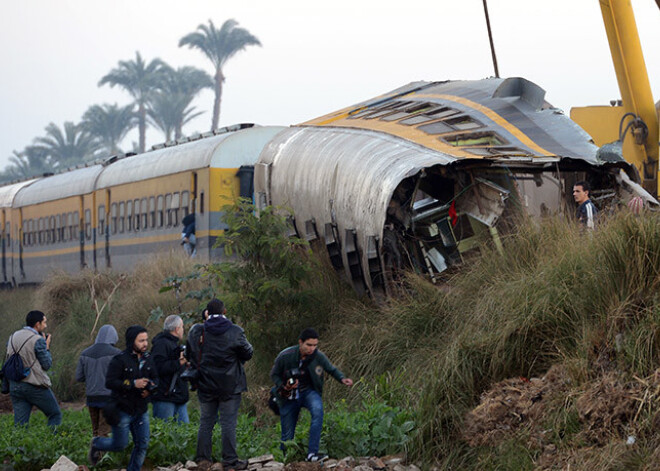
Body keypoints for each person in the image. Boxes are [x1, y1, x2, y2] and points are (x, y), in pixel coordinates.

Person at [187, 299, 253, 470]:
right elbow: (248, 353)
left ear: (207, 313)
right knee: (228, 423)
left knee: (206, 422)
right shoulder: (235, 331)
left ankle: (203, 459)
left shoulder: (196, 331)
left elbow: (190, 354)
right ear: (224, 311)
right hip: (229, 386)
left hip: (205, 384)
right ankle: (230, 461)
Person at [270, 328, 353, 462]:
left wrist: (342, 379)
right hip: (288, 395)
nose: (312, 349)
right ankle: (285, 459)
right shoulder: (286, 355)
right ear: (300, 342)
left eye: (315, 345)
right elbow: (274, 374)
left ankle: (312, 454)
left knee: (318, 411)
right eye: (309, 345)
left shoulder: (318, 356)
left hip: (309, 391)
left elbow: (331, 369)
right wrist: (284, 386)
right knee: (287, 432)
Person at [88, 325, 157, 470]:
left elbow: (156, 378)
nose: (145, 344)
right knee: (119, 445)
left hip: (141, 409)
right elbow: (110, 382)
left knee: (142, 444)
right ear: (132, 341)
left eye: (146, 340)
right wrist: (132, 384)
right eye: (141, 341)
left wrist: (150, 390)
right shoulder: (119, 360)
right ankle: (97, 443)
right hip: (122, 409)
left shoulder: (149, 359)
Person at [5, 310, 62, 428]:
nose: (45, 326)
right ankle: (54, 443)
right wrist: (47, 347)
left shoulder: (13, 336)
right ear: (37, 324)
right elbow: (46, 365)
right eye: (44, 322)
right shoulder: (38, 340)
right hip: (33, 385)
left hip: (15, 385)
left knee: (20, 425)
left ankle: (19, 446)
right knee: (55, 414)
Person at [76, 324, 121, 437]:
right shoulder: (117, 353)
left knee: (95, 430)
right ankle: (101, 454)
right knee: (105, 431)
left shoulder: (85, 353)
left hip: (91, 397)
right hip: (109, 398)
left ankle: (94, 454)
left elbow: (79, 377)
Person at [151, 315, 189, 423]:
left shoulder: (173, 344)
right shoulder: (161, 344)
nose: (183, 330)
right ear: (177, 329)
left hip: (178, 396)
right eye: (182, 327)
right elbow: (157, 368)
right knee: (164, 433)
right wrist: (179, 363)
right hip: (165, 396)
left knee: (184, 433)